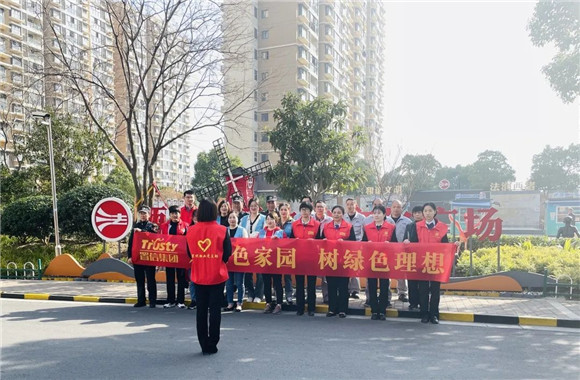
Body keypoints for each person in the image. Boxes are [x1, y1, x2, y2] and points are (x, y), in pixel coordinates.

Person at [185, 199, 232, 355]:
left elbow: (189, 253)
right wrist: (217, 261)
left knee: (201, 311)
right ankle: (213, 342)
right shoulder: (223, 230)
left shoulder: (190, 230)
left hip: (198, 275)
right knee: (215, 310)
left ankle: (203, 343)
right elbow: (227, 254)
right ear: (214, 212)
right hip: (217, 275)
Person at [404, 202, 449, 324]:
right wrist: (407, 242)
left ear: (435, 212)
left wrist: (454, 246)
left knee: (435, 290)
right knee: (423, 289)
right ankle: (424, 313)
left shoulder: (442, 227)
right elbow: (412, 243)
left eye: (430, 211)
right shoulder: (417, 226)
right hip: (422, 262)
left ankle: (434, 314)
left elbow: (446, 246)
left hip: (436, 263)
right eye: (425, 211)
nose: (427, 213)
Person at [317, 205, 356, 318]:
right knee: (331, 286)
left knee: (343, 286)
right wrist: (323, 241)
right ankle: (332, 309)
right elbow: (320, 241)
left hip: (344, 260)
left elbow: (353, 243)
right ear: (331, 214)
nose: (336, 214)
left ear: (342, 214)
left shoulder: (348, 226)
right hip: (330, 259)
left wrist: (344, 241)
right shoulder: (327, 226)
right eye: (334, 212)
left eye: (339, 212)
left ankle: (343, 309)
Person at [362, 205, 396, 320]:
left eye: (379, 213)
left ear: (384, 215)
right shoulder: (367, 227)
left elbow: (395, 243)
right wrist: (367, 244)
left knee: (384, 286)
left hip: (385, 261)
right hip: (371, 261)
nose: (376, 215)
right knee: (371, 286)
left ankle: (382, 311)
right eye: (374, 213)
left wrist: (389, 244)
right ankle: (374, 310)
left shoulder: (391, 227)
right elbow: (362, 243)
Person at [290, 201, 320, 316]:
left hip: (312, 259)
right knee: (299, 284)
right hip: (299, 259)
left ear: (310, 211)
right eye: (303, 210)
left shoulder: (317, 224)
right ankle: (300, 308)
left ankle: (311, 308)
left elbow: (320, 241)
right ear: (300, 211)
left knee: (311, 285)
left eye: (307, 210)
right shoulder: (295, 224)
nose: (305, 212)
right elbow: (291, 240)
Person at [127, 205, 158, 308]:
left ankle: (152, 301)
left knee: (151, 280)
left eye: (145, 213)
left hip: (149, 258)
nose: (143, 215)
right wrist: (129, 256)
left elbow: (155, 238)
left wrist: (142, 232)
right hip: (138, 257)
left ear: (149, 214)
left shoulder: (153, 226)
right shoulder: (136, 226)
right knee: (139, 280)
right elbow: (131, 243)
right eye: (141, 213)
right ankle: (141, 300)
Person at [161, 205, 189, 309]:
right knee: (170, 278)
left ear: (180, 214)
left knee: (181, 278)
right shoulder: (164, 226)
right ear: (170, 215)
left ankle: (180, 301)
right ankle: (170, 300)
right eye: (172, 213)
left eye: (176, 213)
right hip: (169, 256)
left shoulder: (185, 225)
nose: (175, 215)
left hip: (181, 256)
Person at [386, 199, 413, 303]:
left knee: (401, 272)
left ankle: (402, 293)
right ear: (390, 208)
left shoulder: (407, 221)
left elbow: (411, 237)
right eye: (394, 207)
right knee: (386, 272)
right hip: (387, 251)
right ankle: (387, 294)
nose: (396, 209)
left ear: (402, 208)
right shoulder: (386, 220)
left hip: (402, 251)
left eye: (398, 207)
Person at [240, 198, 266, 302]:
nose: (253, 208)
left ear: (259, 207)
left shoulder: (264, 218)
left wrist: (254, 235)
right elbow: (241, 231)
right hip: (246, 249)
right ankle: (250, 293)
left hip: (260, 249)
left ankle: (259, 295)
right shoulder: (244, 219)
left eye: (255, 205)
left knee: (260, 272)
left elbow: (264, 232)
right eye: (252, 206)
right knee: (247, 272)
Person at [259, 212, 285, 314]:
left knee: (277, 282)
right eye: (268, 219)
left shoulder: (280, 232)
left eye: (272, 219)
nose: (269, 221)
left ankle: (279, 303)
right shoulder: (262, 232)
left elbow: (286, 244)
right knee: (266, 283)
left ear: (276, 220)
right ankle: (268, 302)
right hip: (265, 260)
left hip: (276, 261)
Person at [225, 211, 248, 312]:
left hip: (239, 260)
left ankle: (239, 303)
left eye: (234, 217)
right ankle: (230, 303)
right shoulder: (225, 230)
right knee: (229, 283)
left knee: (239, 283)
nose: (232, 220)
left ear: (238, 219)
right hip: (228, 261)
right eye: (230, 217)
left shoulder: (242, 230)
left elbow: (247, 245)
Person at [344, 198, 365, 300]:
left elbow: (363, 232)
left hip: (357, 246)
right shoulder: (343, 217)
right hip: (345, 248)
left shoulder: (361, 218)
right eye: (348, 204)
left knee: (355, 268)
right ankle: (346, 290)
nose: (350, 206)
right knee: (346, 268)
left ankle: (355, 290)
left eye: (352, 204)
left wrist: (360, 245)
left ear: (355, 205)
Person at [405, 205, 424, 311]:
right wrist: (405, 242)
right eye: (415, 212)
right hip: (411, 257)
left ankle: (423, 302)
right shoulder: (409, 226)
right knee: (411, 282)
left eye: (419, 212)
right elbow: (405, 239)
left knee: (422, 282)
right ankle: (413, 303)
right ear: (412, 214)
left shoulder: (426, 226)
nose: (417, 214)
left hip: (423, 257)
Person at [314, 200, 333, 304]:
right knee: (311, 275)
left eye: (322, 207)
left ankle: (327, 297)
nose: (320, 209)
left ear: (325, 209)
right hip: (313, 251)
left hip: (326, 252)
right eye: (318, 207)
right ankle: (311, 297)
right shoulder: (311, 219)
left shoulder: (330, 220)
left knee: (326, 277)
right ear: (315, 209)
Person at [279, 202, 295, 304]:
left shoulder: (293, 223)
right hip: (275, 252)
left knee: (287, 275)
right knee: (277, 275)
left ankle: (289, 296)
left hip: (288, 252)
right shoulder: (275, 221)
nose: (283, 212)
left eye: (285, 209)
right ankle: (278, 295)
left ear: (289, 211)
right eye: (282, 210)